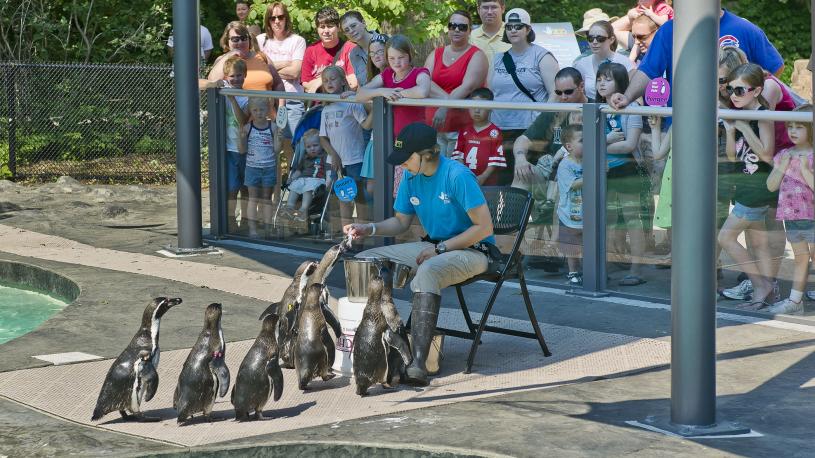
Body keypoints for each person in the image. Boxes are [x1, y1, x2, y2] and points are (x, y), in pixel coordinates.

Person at [344, 122, 496, 387]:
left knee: (428, 271)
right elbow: (401, 221)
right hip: (433, 246)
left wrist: (440, 249)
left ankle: (418, 363)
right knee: (366, 261)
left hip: (473, 250)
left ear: (427, 154)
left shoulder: (457, 175)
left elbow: (484, 228)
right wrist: (369, 228)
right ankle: (373, 346)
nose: (401, 164)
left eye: (406, 158)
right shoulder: (410, 178)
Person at [609, 8, 785, 111]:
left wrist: (756, 113)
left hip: (735, 129)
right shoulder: (670, 30)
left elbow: (773, 70)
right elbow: (648, 70)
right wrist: (627, 97)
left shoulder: (746, 29)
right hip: (682, 126)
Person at [717, 63, 777, 309]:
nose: (733, 95)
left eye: (740, 90)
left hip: (758, 189)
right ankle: (769, 292)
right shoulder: (738, 112)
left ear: (756, 90)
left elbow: (767, 154)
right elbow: (732, 157)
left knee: (725, 237)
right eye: (731, 89)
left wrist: (742, 126)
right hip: (744, 186)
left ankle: (760, 285)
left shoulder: (763, 115)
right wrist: (732, 131)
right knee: (759, 243)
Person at [489, 8, 558, 184]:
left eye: (518, 26)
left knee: (528, 182)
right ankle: (503, 212)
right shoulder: (498, 59)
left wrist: (542, 124)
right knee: (503, 181)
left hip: (530, 130)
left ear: (528, 29)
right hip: (501, 129)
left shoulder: (542, 56)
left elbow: (555, 94)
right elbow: (492, 93)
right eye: (509, 26)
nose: (513, 30)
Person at [355, 35, 431, 195]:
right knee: (400, 189)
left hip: (417, 140)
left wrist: (398, 93)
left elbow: (422, 91)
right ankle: (401, 218)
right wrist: (382, 91)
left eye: (401, 57)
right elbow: (360, 93)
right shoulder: (387, 75)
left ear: (410, 55)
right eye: (392, 58)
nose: (397, 62)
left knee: (420, 187)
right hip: (398, 141)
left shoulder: (420, 72)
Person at [596, 62, 647, 286]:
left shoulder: (631, 108)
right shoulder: (594, 109)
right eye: (599, 79)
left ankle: (637, 269)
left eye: (607, 79)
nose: (602, 83)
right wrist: (604, 142)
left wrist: (596, 146)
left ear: (620, 83)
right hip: (601, 170)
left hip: (627, 170)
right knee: (602, 220)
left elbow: (629, 145)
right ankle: (601, 266)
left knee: (632, 220)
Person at [766, 105, 813, 315]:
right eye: (790, 126)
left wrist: (804, 170)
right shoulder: (784, 154)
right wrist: (782, 166)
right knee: (801, 258)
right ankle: (795, 301)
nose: (793, 131)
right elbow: (771, 185)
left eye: (799, 127)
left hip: (812, 217)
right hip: (792, 217)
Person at [425, 10, 488, 157]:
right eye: (453, 26)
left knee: (455, 173)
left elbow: (468, 87)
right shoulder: (436, 53)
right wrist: (447, 102)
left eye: (462, 27)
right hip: (434, 128)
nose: (457, 30)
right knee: (435, 174)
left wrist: (444, 107)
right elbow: (423, 81)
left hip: (461, 129)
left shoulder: (477, 55)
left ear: (470, 31)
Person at [319, 66, 372, 230]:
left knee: (360, 199)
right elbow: (323, 138)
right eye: (325, 80)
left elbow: (366, 125)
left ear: (343, 81)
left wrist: (375, 108)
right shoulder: (326, 109)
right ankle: (347, 236)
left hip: (355, 159)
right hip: (336, 163)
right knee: (343, 199)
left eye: (333, 79)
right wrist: (333, 155)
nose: (329, 82)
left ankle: (361, 234)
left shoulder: (351, 103)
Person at [256, 2, 307, 138]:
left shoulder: (297, 41)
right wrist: (285, 63)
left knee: (292, 143)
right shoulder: (260, 40)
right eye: (273, 18)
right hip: (264, 100)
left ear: (286, 18)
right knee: (267, 143)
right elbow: (256, 69)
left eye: (281, 17)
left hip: (291, 99)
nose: (277, 21)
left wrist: (268, 70)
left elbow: (295, 72)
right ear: (268, 20)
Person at [204, 22, 285, 94]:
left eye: (243, 38)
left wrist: (281, 107)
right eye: (235, 39)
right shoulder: (222, 60)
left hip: (268, 110)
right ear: (227, 41)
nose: (240, 42)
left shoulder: (261, 57)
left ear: (249, 39)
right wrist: (230, 54)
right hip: (235, 110)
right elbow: (212, 82)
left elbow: (278, 84)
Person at [241, 97, 282, 238]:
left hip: (269, 167)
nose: (258, 113)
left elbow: (277, 150)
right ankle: (252, 229)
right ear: (251, 111)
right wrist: (240, 138)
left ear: (268, 110)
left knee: (266, 198)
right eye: (255, 110)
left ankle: (268, 229)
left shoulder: (273, 127)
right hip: (252, 168)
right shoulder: (248, 128)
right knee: (253, 198)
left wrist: (278, 136)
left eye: (262, 109)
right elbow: (242, 150)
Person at [451, 88, 506, 186]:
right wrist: (465, 174)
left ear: (490, 107)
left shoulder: (495, 132)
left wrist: (483, 176)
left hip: (488, 184)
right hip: (466, 180)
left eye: (482, 106)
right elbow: (458, 155)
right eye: (473, 106)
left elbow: (496, 159)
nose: (477, 110)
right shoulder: (464, 130)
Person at [220, 56, 250, 233]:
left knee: (246, 187)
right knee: (231, 187)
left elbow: (242, 120)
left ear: (245, 75)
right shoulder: (222, 92)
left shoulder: (247, 96)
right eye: (232, 76)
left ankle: (246, 220)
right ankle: (230, 220)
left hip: (244, 148)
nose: (236, 79)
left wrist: (232, 100)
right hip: (228, 149)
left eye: (239, 75)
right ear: (226, 76)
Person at [358, 36, 390, 200]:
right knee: (371, 188)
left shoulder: (397, 76)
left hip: (393, 137)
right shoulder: (372, 81)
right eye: (372, 53)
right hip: (375, 137)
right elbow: (368, 122)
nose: (376, 56)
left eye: (380, 51)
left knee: (393, 187)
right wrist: (380, 93)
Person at [301, 7, 357, 93]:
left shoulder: (350, 48)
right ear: (317, 29)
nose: (326, 31)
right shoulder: (311, 50)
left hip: (343, 102)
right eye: (322, 27)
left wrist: (320, 81)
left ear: (338, 27)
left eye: (330, 26)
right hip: (318, 103)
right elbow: (307, 86)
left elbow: (353, 83)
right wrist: (337, 79)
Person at [573, 20, 632, 99]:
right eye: (590, 38)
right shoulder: (581, 64)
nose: (594, 42)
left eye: (600, 38)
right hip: (591, 110)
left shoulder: (625, 62)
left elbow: (635, 95)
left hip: (618, 109)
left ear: (611, 39)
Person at [557, 124, 585, 286]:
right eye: (582, 140)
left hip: (586, 211)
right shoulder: (565, 165)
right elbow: (573, 184)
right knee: (571, 245)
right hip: (569, 213)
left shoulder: (589, 160)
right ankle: (573, 272)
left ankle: (589, 270)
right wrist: (595, 173)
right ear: (569, 146)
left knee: (588, 243)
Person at [284, 129, 327, 222]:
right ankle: (289, 207)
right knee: (295, 185)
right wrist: (291, 178)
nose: (312, 148)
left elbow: (328, 170)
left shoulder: (324, 156)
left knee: (308, 187)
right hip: (303, 179)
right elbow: (299, 171)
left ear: (322, 144)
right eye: (308, 147)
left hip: (317, 180)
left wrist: (329, 180)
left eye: (315, 145)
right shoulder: (305, 156)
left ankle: (303, 209)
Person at [340, 11, 387, 87]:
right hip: (369, 97)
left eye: (353, 25)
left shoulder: (386, 42)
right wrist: (355, 94)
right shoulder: (353, 54)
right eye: (347, 30)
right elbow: (361, 84)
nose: (351, 31)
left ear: (364, 23)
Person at [470, 0, 510, 68]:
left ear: (502, 9)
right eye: (485, 7)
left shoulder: (514, 35)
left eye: (494, 7)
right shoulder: (470, 37)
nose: (489, 12)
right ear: (478, 10)